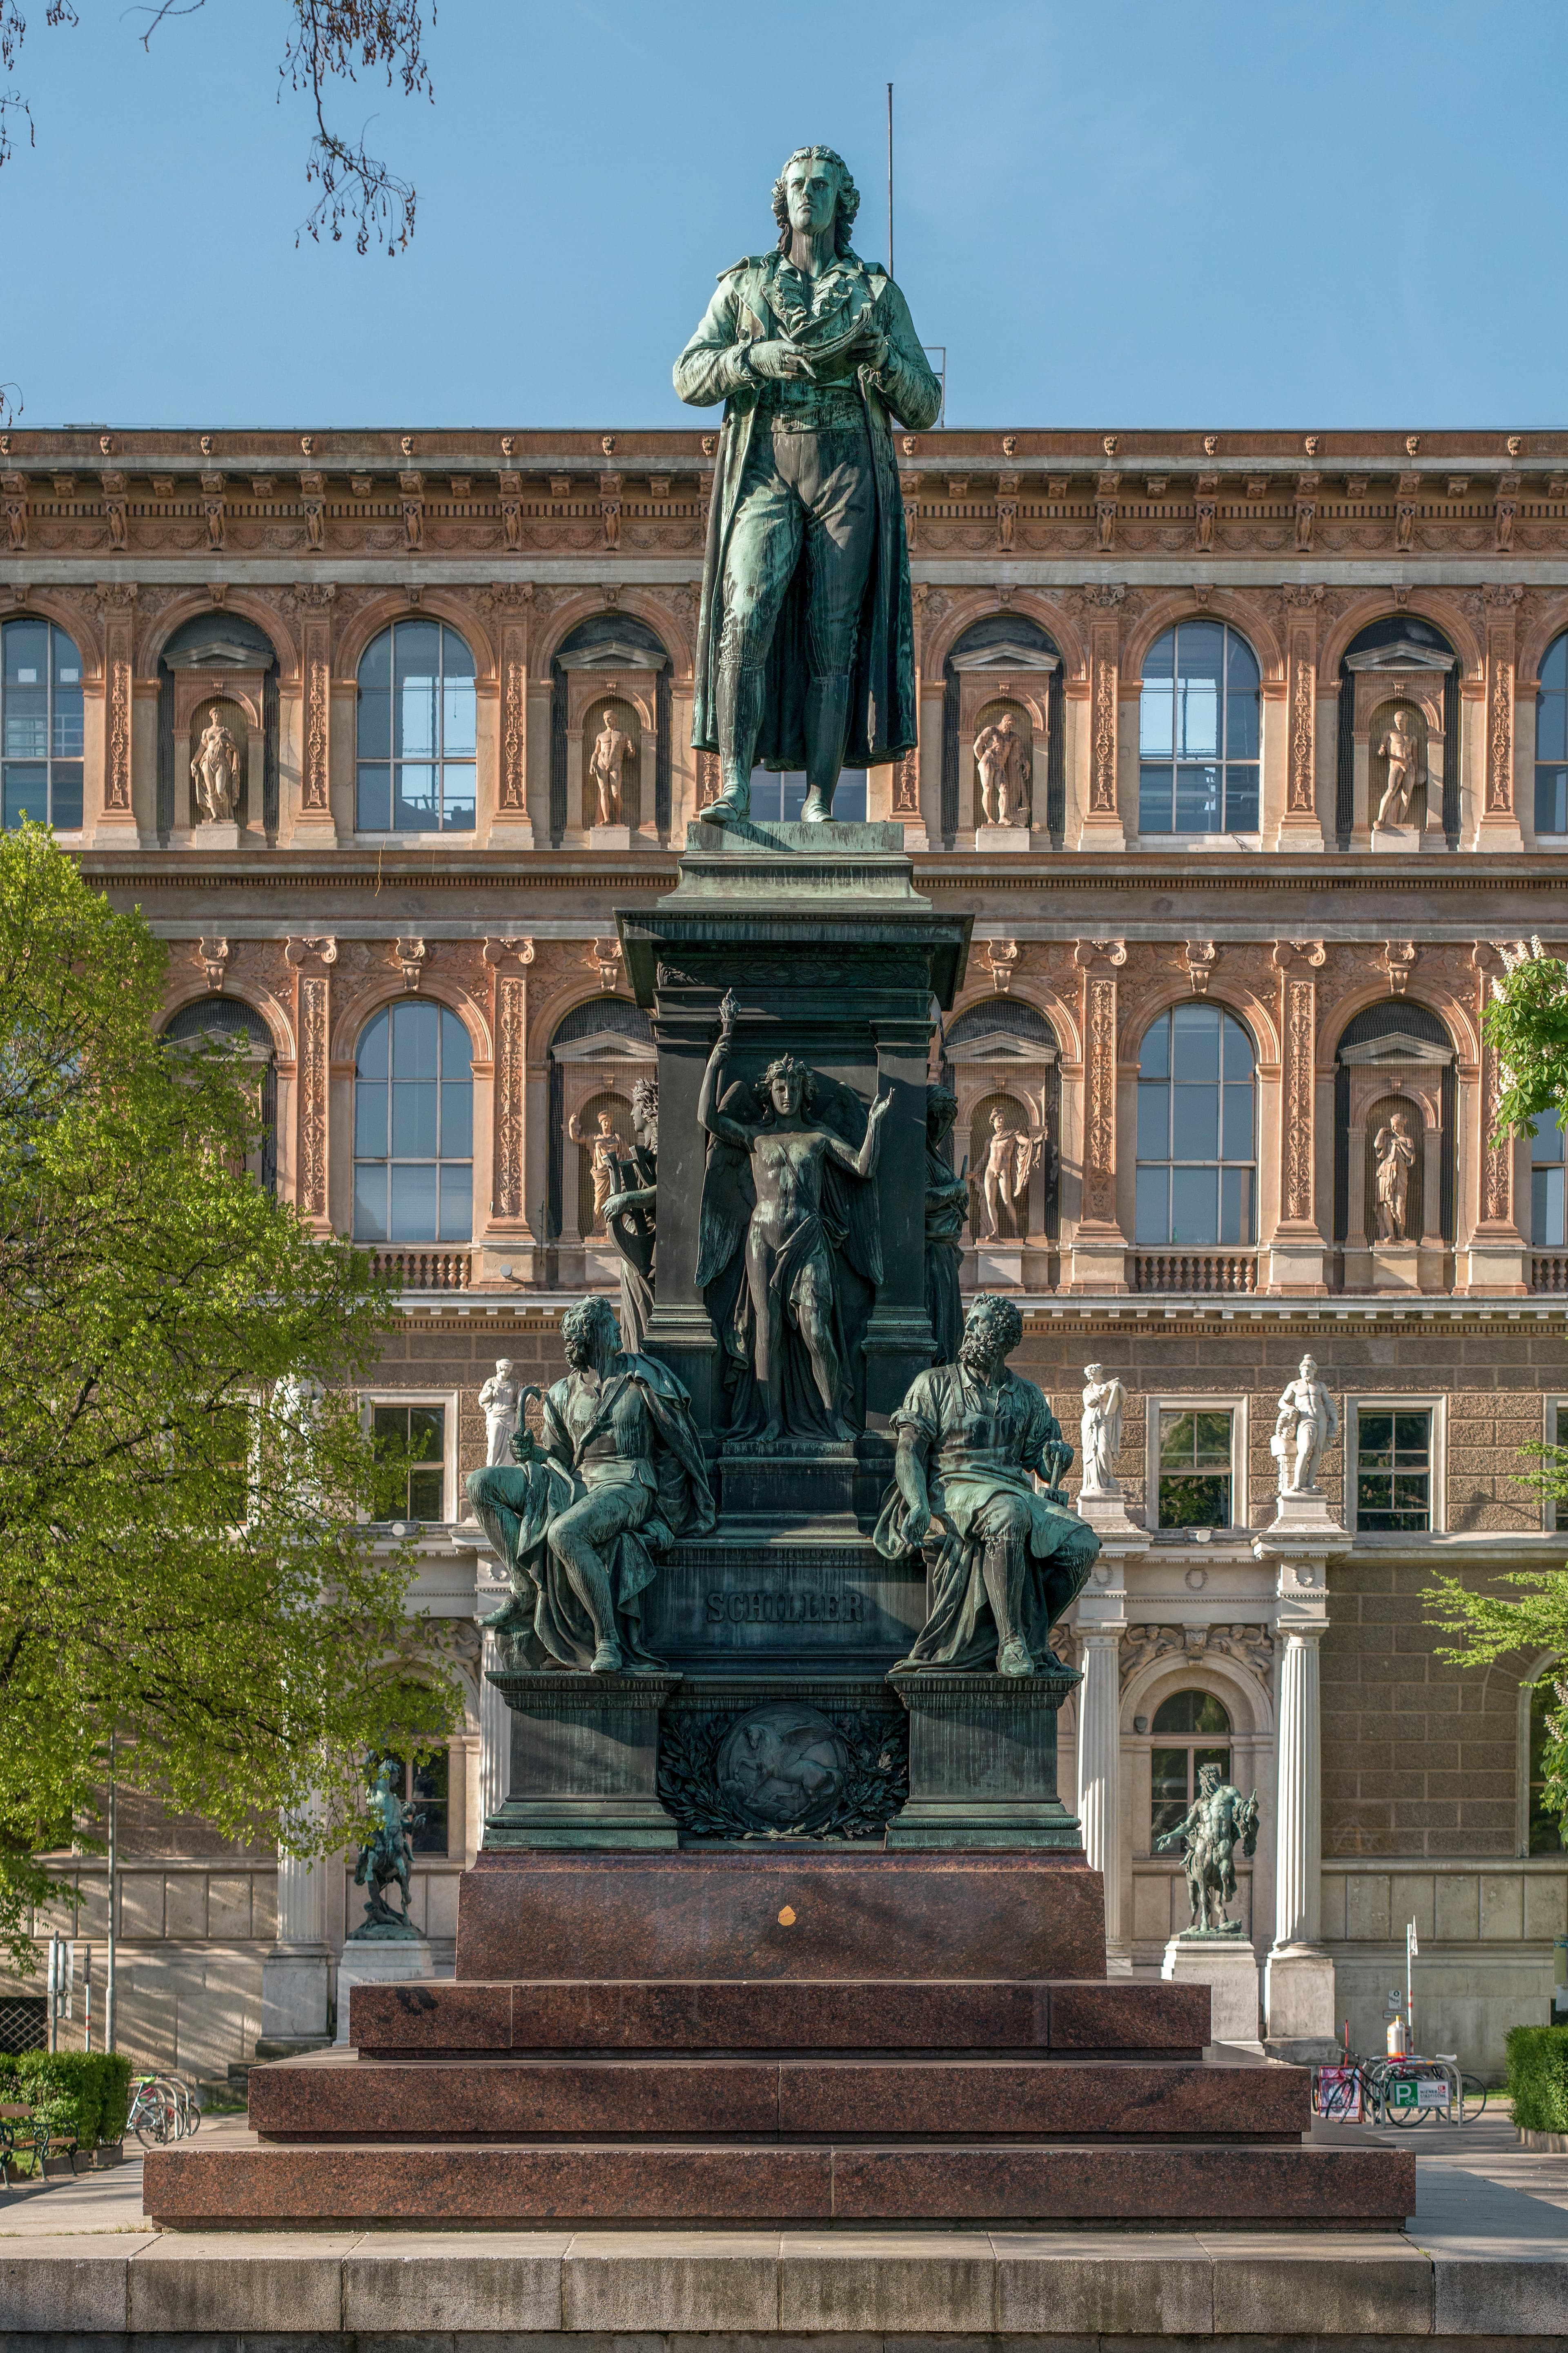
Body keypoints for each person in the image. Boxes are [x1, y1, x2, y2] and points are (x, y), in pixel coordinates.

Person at [674, 143, 941, 824]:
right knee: (744, 616)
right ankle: (734, 786)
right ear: (782, 199)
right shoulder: (745, 287)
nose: (808, 194)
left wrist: (882, 358)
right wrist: (754, 357)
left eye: (822, 185)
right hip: (768, 465)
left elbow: (925, 406)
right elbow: (688, 375)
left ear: (841, 202)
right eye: (797, 184)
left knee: (834, 636)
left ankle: (819, 802)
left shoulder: (876, 294)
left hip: (847, 467)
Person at [466, 1296, 714, 1675]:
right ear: (591, 1335)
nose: (618, 1328)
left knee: (564, 1533)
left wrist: (668, 1518)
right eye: (609, 1324)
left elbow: (673, 1452)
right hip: (574, 1482)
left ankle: (607, 1640)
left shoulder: (642, 1379)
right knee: (481, 1483)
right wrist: (532, 1453)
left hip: (629, 1483)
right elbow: (558, 1458)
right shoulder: (561, 1394)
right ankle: (524, 1587)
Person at [875, 1292, 1099, 1676]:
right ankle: (1010, 1644)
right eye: (971, 1320)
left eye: (979, 1321)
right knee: (1008, 1513)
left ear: (1002, 1335)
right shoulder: (934, 1384)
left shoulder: (1027, 1395)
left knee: (1083, 1544)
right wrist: (917, 1503)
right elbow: (909, 1450)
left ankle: (1033, 1635)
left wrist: (1056, 1456)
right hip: (951, 1487)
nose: (969, 1327)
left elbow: (1042, 1463)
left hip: (1012, 1491)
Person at [697, 988, 887, 1439]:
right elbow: (708, 1118)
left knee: (816, 1329)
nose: (786, 1093)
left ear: (805, 1092)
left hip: (807, 1236)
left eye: (794, 1087)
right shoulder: (755, 1138)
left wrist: (875, 1124)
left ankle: (834, 1417)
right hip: (762, 1236)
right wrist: (718, 1055)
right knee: (767, 1330)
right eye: (779, 1087)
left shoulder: (818, 1138)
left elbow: (863, 1168)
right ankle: (771, 1423)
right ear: (770, 1091)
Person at [922, 1085, 968, 1367]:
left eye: (947, 1119)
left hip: (945, 1250)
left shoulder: (934, 1156)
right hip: (932, 1252)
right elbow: (922, 1200)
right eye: (935, 1116)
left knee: (951, 1329)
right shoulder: (918, 1154)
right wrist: (956, 1189)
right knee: (941, 1326)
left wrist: (960, 1200)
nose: (940, 1125)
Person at [1079, 1364, 1125, 1497]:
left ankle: (1108, 1478)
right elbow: (1088, 1403)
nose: (1090, 1378)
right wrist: (1100, 1393)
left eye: (1092, 1375)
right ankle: (1092, 1483)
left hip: (1105, 1419)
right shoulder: (1088, 1390)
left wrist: (1119, 1387)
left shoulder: (1109, 1387)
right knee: (1091, 1453)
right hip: (1090, 1421)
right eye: (1088, 1376)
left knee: (1104, 1450)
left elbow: (1123, 1398)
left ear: (1099, 1374)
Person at [1374, 1110, 1417, 1241]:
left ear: (1402, 1126)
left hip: (1400, 1175)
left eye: (1396, 1126)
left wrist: (1400, 1145)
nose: (1393, 1129)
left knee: (1400, 1205)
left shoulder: (1408, 1140)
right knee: (1386, 1204)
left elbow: (1411, 1156)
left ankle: (1401, 1234)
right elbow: (1377, 1145)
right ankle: (1391, 1234)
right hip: (1386, 1174)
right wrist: (1381, 1132)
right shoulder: (1389, 1139)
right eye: (1392, 1126)